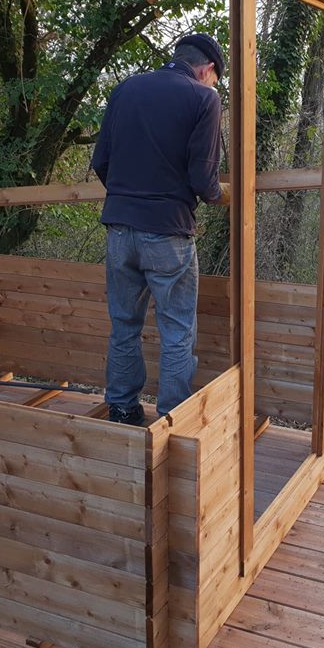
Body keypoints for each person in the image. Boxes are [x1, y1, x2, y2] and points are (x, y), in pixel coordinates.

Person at [91, 33, 230, 426]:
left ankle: (121, 408)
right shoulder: (204, 99)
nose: (213, 85)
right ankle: (173, 420)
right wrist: (223, 195)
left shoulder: (126, 90)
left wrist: (129, 198)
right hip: (168, 234)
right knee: (177, 330)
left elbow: (101, 162)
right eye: (215, 78)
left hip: (119, 230)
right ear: (206, 69)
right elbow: (204, 182)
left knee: (124, 325)